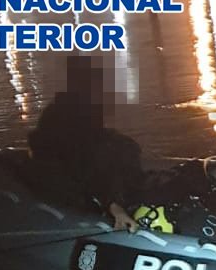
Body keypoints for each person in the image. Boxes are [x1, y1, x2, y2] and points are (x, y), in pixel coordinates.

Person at [28, 56, 143, 231]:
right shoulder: (72, 115)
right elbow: (81, 162)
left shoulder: (68, 109)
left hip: (68, 176)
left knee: (123, 147)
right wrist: (113, 205)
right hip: (65, 188)